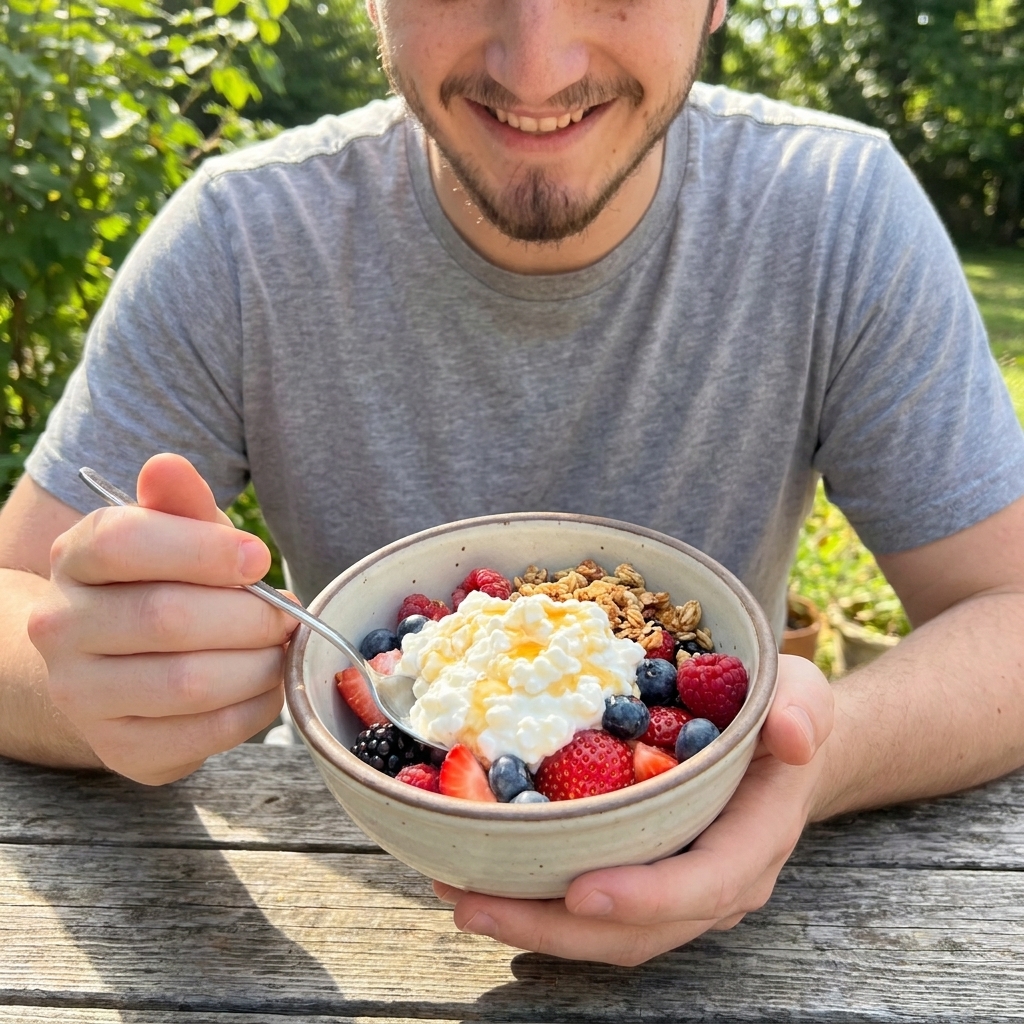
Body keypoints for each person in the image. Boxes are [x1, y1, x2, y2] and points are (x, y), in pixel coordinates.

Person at [1, 0, 1023, 967]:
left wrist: (807, 763)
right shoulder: (241, 242)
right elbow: (14, 603)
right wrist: (93, 685)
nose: (537, 68)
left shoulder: (836, 212)